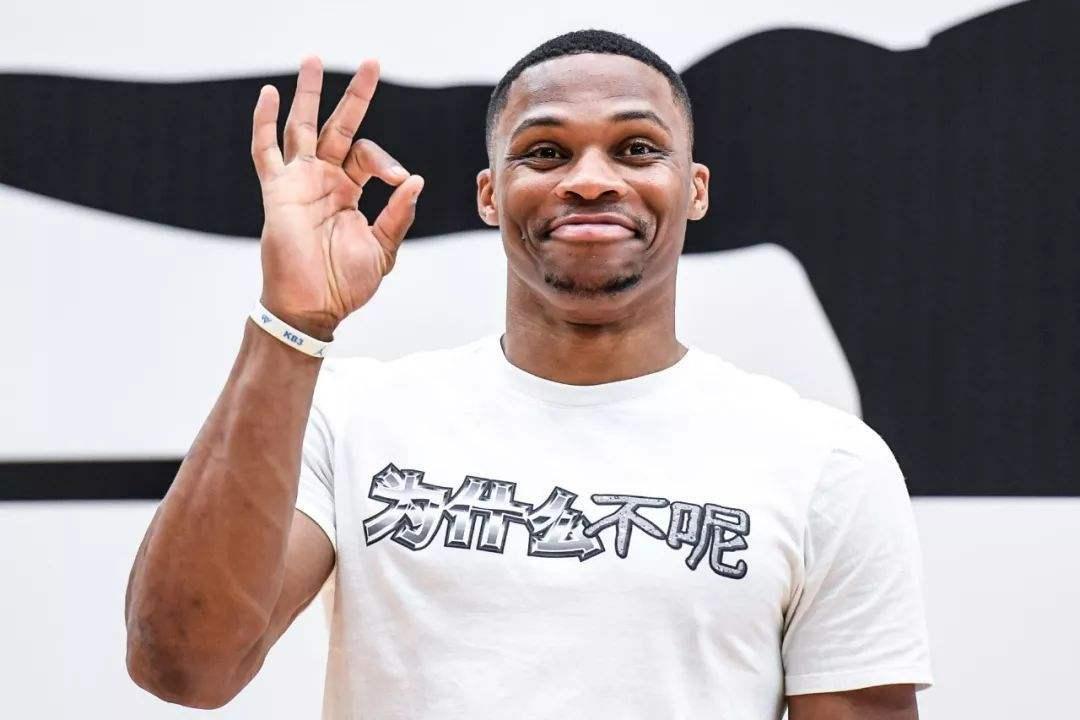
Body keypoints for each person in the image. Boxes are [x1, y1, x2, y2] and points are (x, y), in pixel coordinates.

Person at [124, 29, 933, 719]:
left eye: (636, 148)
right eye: (545, 152)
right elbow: (184, 667)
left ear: (694, 190)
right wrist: (292, 321)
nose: (590, 178)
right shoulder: (354, 416)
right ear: (490, 194)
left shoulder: (826, 463)